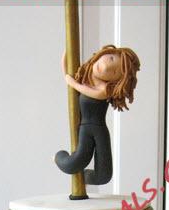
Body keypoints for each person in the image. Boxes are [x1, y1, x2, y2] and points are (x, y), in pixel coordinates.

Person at [55, 44, 140, 186]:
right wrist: (67, 52)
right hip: (85, 129)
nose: (106, 68)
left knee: (103, 176)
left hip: (99, 131)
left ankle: (82, 178)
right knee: (73, 163)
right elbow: (69, 74)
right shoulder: (84, 78)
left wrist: (72, 82)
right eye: (111, 58)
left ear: (117, 81)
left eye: (114, 72)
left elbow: (77, 86)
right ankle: (58, 157)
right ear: (106, 52)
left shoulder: (104, 90)